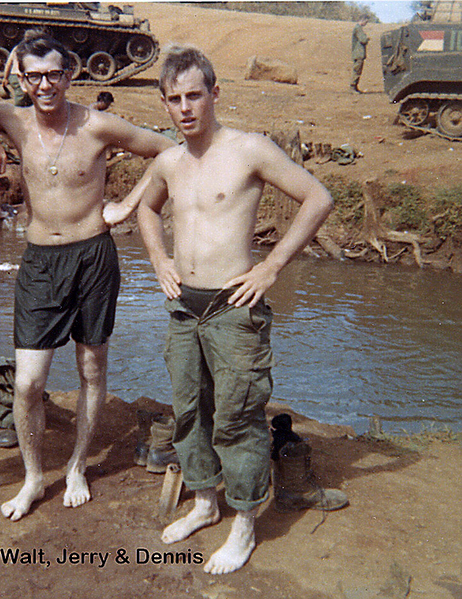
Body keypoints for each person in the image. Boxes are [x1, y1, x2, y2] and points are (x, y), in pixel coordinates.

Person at [137, 45, 334, 575]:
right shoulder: (168, 161)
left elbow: (317, 197)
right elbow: (146, 208)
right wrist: (158, 259)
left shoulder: (250, 149)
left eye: (194, 95)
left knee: (239, 416)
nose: (185, 108)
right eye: (174, 98)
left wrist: (271, 267)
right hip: (183, 308)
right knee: (188, 409)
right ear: (164, 103)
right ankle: (205, 502)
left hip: (233, 308)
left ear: (214, 94)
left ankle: (245, 522)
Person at [0, 31, 174, 521]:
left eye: (54, 74)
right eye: (34, 75)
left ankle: (79, 466)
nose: (45, 85)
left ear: (70, 75)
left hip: (94, 258)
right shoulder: (12, 119)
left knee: (90, 370)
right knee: (27, 383)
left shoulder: (98, 125)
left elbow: (168, 150)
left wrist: (126, 205)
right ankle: (34, 477)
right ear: (21, 77)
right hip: (41, 264)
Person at [1, 42, 33, 107]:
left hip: (14, 76)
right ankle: (18, 114)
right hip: (19, 76)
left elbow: (8, 64)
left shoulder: (17, 48)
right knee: (21, 99)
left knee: (27, 99)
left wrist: (5, 78)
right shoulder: (30, 48)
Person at [351, 16, 370, 93]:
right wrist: (366, 38)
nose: (366, 24)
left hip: (359, 54)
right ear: (362, 20)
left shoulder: (358, 28)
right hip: (358, 53)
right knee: (357, 71)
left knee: (358, 71)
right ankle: (353, 87)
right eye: (366, 22)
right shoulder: (358, 28)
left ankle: (355, 87)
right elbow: (363, 40)